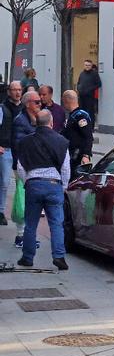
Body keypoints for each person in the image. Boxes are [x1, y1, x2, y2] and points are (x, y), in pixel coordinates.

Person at [15, 110, 70, 270]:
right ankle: (59, 257)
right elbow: (66, 167)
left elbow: (20, 166)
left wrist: (27, 181)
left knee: (30, 224)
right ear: (51, 123)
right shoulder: (61, 141)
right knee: (56, 224)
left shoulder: (26, 142)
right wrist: (64, 186)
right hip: (54, 184)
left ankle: (27, 257)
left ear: (36, 123)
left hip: (33, 184)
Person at [12, 90, 42, 247]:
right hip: (24, 166)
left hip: (34, 165)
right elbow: (19, 144)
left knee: (32, 202)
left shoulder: (35, 118)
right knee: (23, 201)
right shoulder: (21, 120)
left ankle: (27, 236)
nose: (40, 104)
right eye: (36, 102)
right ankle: (21, 236)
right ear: (28, 104)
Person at [0, 81, 23, 227]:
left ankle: (21, 211)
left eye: (19, 90)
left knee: (21, 183)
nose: (17, 92)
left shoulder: (24, 107)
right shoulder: (3, 108)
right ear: (9, 92)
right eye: (14, 90)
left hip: (20, 151)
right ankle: (1, 211)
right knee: (4, 182)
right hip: (6, 149)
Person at [61, 90, 94, 171]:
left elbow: (88, 136)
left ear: (66, 101)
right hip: (71, 155)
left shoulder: (80, 116)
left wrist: (86, 155)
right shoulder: (72, 116)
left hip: (78, 157)